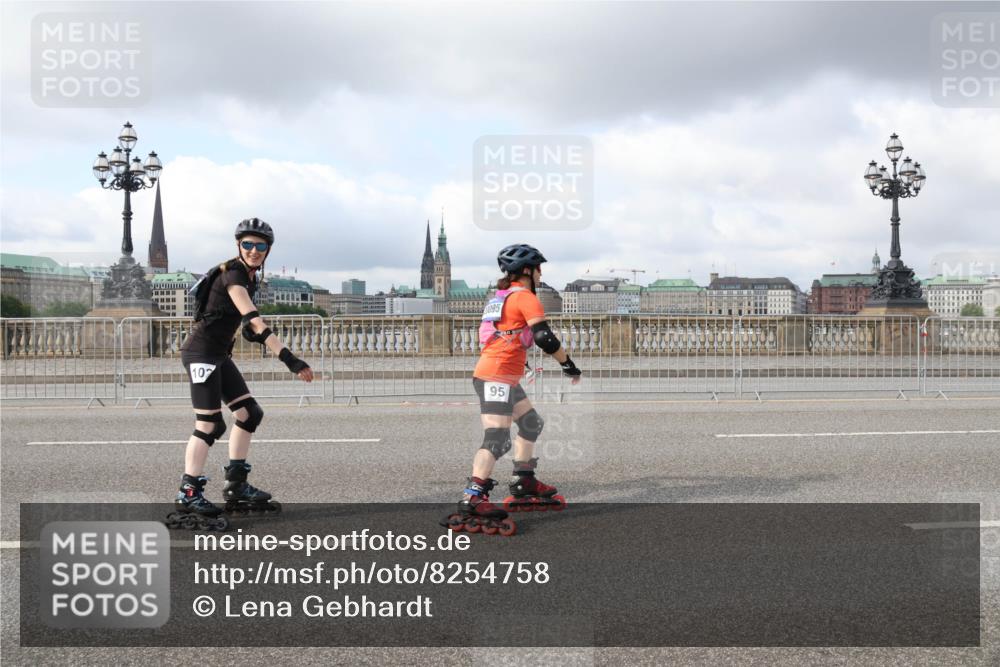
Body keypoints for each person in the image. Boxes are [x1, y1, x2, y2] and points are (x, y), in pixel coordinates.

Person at [169, 218, 313, 530]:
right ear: (239, 245)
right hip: (201, 353)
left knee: (249, 413)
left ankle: (236, 484)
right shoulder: (234, 273)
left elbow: (237, 319)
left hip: (218, 354)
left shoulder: (249, 277)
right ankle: (188, 492)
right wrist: (291, 360)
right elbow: (255, 321)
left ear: (268, 250)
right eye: (248, 244)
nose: (254, 250)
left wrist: (245, 330)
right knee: (210, 424)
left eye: (260, 246)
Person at [446, 243, 582, 536]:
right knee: (497, 438)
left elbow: (502, 336)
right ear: (527, 271)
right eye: (538, 269)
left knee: (531, 423)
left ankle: (524, 480)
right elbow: (544, 337)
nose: (541, 274)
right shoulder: (525, 297)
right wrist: (568, 364)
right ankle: (473, 496)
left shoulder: (500, 298)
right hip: (496, 376)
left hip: (501, 374)